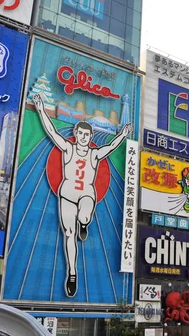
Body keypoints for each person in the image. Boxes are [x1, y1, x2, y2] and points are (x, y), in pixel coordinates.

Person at [32, 93, 132, 297]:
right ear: (76, 134)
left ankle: (84, 223)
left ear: (90, 137)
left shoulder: (94, 154)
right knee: (69, 235)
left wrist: (122, 134)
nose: (84, 138)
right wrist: (41, 109)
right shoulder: (67, 149)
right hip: (67, 195)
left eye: (87, 135)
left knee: (84, 215)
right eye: (81, 134)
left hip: (87, 194)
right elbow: (51, 132)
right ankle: (72, 273)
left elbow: (111, 146)